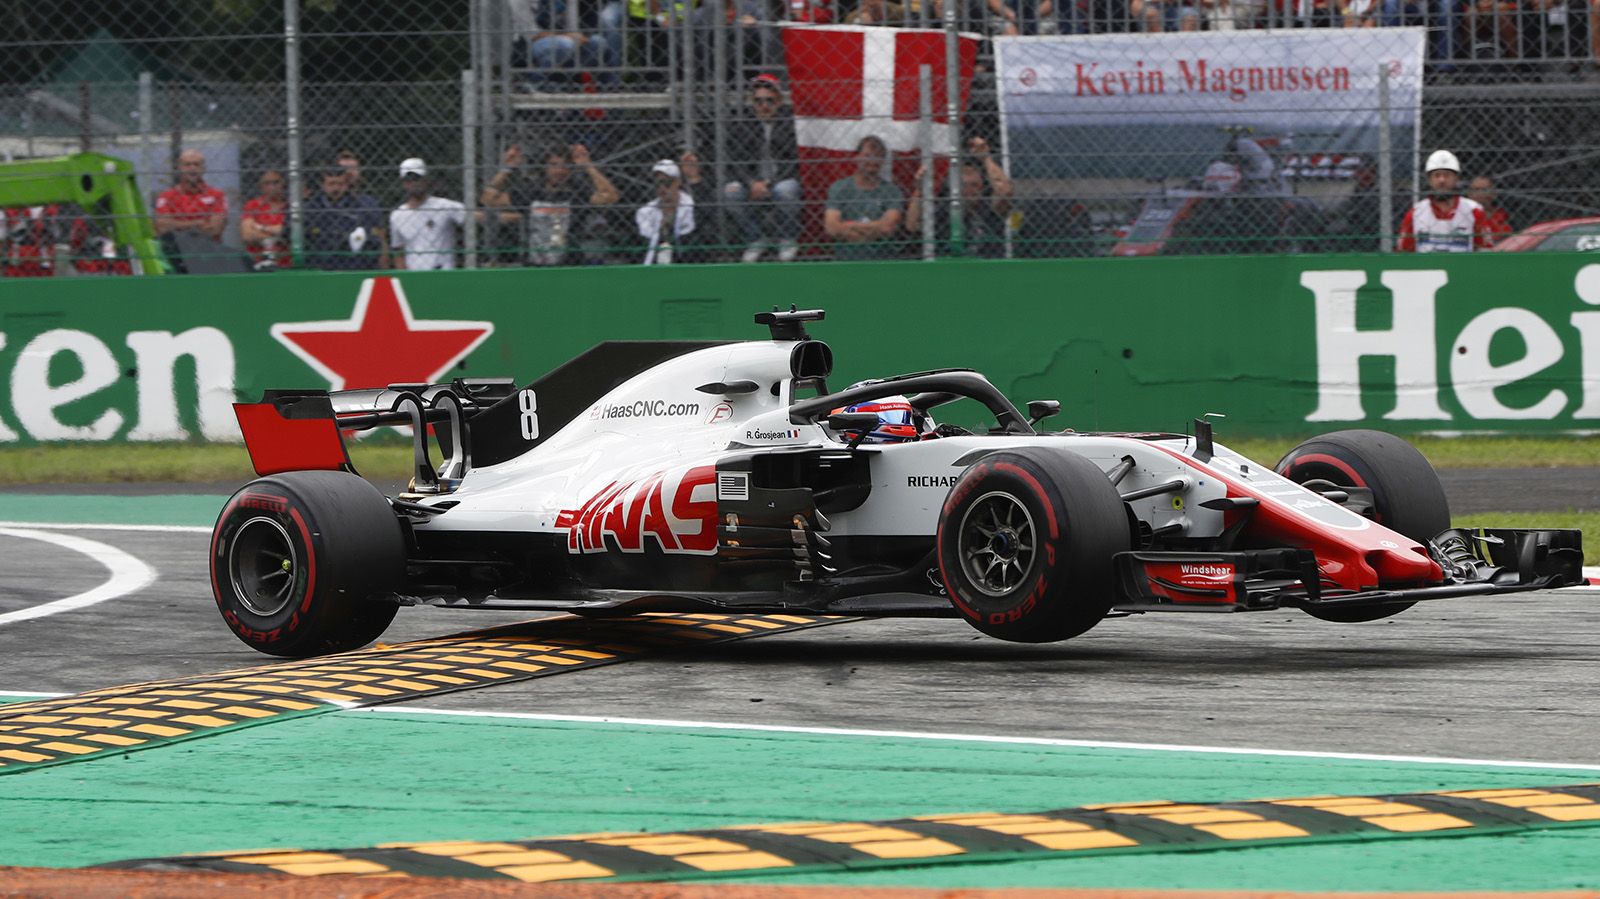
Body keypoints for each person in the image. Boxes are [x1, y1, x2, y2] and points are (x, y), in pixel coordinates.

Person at [480, 142, 620, 266]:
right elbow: (489, 199)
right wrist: (507, 168)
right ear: (544, 167)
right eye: (553, 165)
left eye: (565, 166)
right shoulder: (530, 192)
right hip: (534, 263)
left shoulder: (578, 193)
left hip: (570, 263)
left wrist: (588, 166)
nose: (559, 171)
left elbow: (610, 196)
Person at [724, 75, 803, 263]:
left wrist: (769, 183)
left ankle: (786, 238)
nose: (764, 106)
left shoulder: (790, 125)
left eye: (769, 100)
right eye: (758, 101)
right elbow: (735, 161)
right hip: (753, 181)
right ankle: (756, 238)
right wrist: (751, 183)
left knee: (785, 190)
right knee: (730, 192)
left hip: (781, 179)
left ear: (779, 101)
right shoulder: (743, 125)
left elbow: (794, 162)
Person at [904, 137, 1014, 258]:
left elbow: (1005, 191)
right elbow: (912, 225)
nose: (969, 190)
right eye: (963, 185)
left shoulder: (988, 207)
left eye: (974, 185)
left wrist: (985, 158)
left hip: (986, 265)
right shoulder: (945, 208)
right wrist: (920, 190)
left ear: (982, 187)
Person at [824, 135, 905, 262]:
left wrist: (849, 226)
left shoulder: (892, 191)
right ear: (856, 158)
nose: (872, 161)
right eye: (867, 156)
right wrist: (875, 228)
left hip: (882, 261)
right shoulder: (839, 188)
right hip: (845, 261)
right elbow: (832, 227)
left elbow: (888, 227)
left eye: (878, 156)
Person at [1397, 149, 1494, 253]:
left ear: (1456, 179)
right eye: (1437, 175)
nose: (1442, 180)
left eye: (1447, 175)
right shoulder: (1416, 213)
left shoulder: (1474, 211)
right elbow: (1403, 252)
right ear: (1430, 180)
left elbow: (1485, 250)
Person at [389, 158, 468, 271]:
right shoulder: (397, 215)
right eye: (409, 180)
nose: (413, 183)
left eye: (417, 178)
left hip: (443, 272)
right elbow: (398, 251)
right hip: (414, 276)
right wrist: (404, 276)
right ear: (404, 183)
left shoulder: (444, 206)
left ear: (426, 180)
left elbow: (473, 218)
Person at [303, 164, 386, 269]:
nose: (336, 188)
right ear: (322, 185)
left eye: (340, 184)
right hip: (320, 266)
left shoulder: (363, 205)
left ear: (347, 185)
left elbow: (378, 237)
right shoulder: (311, 207)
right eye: (331, 184)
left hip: (356, 265)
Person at [153, 149, 226, 243]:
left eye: (196, 164)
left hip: (208, 249)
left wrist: (176, 225)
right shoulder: (166, 196)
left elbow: (215, 229)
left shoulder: (217, 195)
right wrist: (197, 223)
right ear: (180, 168)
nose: (192, 168)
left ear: (204, 168)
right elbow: (162, 227)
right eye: (187, 165)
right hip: (176, 249)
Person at [636, 159, 697, 265]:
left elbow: (690, 234)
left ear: (678, 182)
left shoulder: (692, 206)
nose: (662, 188)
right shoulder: (645, 211)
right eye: (657, 183)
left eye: (667, 183)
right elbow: (645, 239)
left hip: (686, 259)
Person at [240, 170, 290, 271]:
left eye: (276, 182)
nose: (272, 187)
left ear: (283, 183)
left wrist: (260, 228)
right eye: (267, 183)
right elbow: (247, 235)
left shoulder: (291, 206)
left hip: (287, 263)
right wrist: (278, 234)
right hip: (257, 262)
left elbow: (294, 233)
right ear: (260, 186)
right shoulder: (252, 205)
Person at [1466, 174, 1513, 240]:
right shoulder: (1461, 215)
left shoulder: (1502, 217)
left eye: (1484, 190)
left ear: (1494, 194)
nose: (1479, 193)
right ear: (1469, 193)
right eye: (1476, 189)